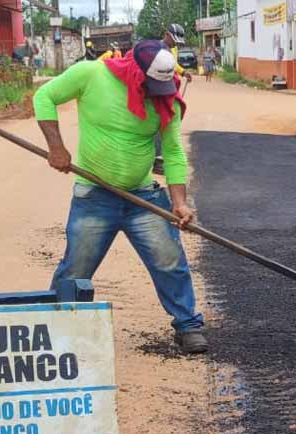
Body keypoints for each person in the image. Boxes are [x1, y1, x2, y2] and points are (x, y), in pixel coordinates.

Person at [33, 40, 207, 354]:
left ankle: (187, 324)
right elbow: (44, 96)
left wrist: (179, 202)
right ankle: (54, 330)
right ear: (135, 72)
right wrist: (56, 147)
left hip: (143, 197)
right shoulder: (91, 75)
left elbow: (172, 151)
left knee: (170, 260)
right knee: (76, 268)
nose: (155, 92)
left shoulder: (165, 98)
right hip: (95, 196)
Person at [155, 23, 192, 174]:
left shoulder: (170, 49)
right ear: (166, 34)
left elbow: (173, 65)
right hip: (158, 92)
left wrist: (183, 72)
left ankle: (162, 157)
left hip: (167, 90)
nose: (176, 43)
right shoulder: (158, 49)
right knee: (160, 123)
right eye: (174, 39)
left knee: (167, 123)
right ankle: (157, 161)